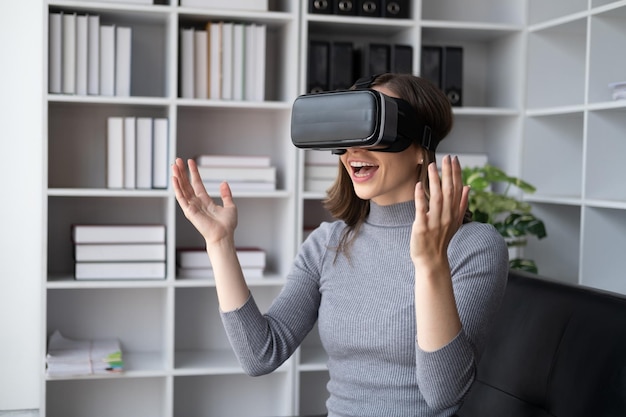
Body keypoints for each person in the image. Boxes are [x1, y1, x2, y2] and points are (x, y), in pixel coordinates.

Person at [171, 73, 509, 417]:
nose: (353, 151)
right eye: (348, 134)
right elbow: (260, 354)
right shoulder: (327, 243)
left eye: (372, 130)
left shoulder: (473, 246)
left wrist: (431, 263)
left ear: (421, 148)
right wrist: (219, 243)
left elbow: (443, 394)